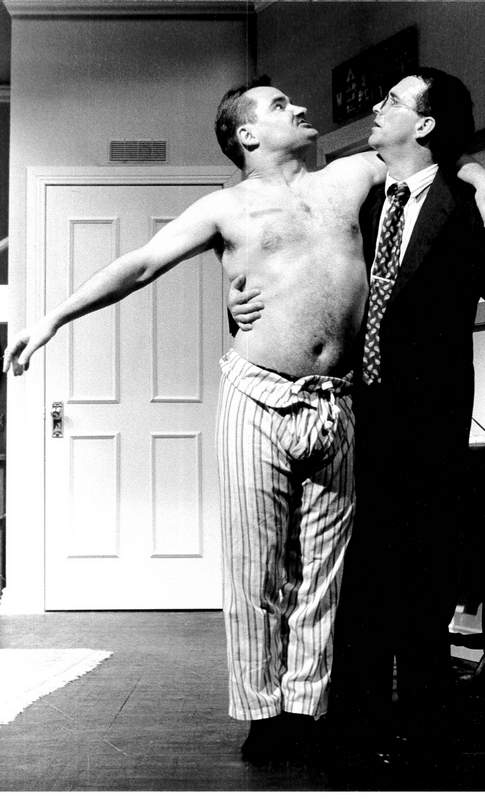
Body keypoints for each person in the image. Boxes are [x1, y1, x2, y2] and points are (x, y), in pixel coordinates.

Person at [5, 75, 484, 766]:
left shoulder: (352, 177)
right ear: (248, 134)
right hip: (257, 395)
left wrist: (473, 171)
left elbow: (433, 168)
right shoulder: (223, 207)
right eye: (280, 105)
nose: (299, 107)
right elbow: (141, 264)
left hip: (335, 399)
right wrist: (52, 317)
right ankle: (264, 715)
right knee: (256, 570)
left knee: (323, 574)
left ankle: (307, 709)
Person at [229, 68, 485, 770]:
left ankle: (427, 724)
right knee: (353, 573)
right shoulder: (356, 201)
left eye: (392, 101)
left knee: (426, 570)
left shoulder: (466, 199)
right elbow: (301, 280)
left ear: (424, 125)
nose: (377, 106)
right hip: (348, 412)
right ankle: (356, 721)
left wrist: (478, 176)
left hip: (430, 421)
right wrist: (240, 305)